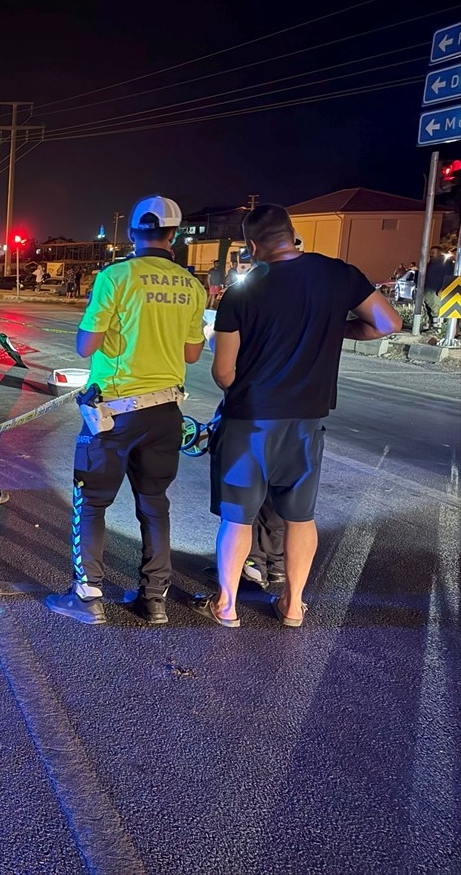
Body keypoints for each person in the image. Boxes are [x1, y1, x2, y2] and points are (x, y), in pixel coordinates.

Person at [197, 203, 401, 628]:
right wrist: (338, 327)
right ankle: (292, 606)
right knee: (299, 517)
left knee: (239, 517)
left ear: (252, 246)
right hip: (307, 420)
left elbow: (223, 374)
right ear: (292, 235)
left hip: (250, 420)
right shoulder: (339, 274)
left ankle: (228, 605)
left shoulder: (243, 292)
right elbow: (387, 323)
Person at [45, 196, 206, 626]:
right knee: (155, 503)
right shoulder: (192, 285)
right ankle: (154, 599)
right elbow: (193, 353)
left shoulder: (115, 276)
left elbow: (86, 345)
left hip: (115, 413)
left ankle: (87, 595)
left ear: (133, 232)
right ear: (174, 235)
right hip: (167, 411)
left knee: (92, 502)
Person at [423, 245, 451, 331]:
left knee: (435, 310)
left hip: (436, 290)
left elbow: (449, 277)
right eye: (430, 253)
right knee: (428, 309)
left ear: (439, 253)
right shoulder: (430, 264)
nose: (431, 254)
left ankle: (437, 328)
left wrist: (443, 288)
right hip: (427, 290)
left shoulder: (446, 265)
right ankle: (431, 325)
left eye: (433, 253)